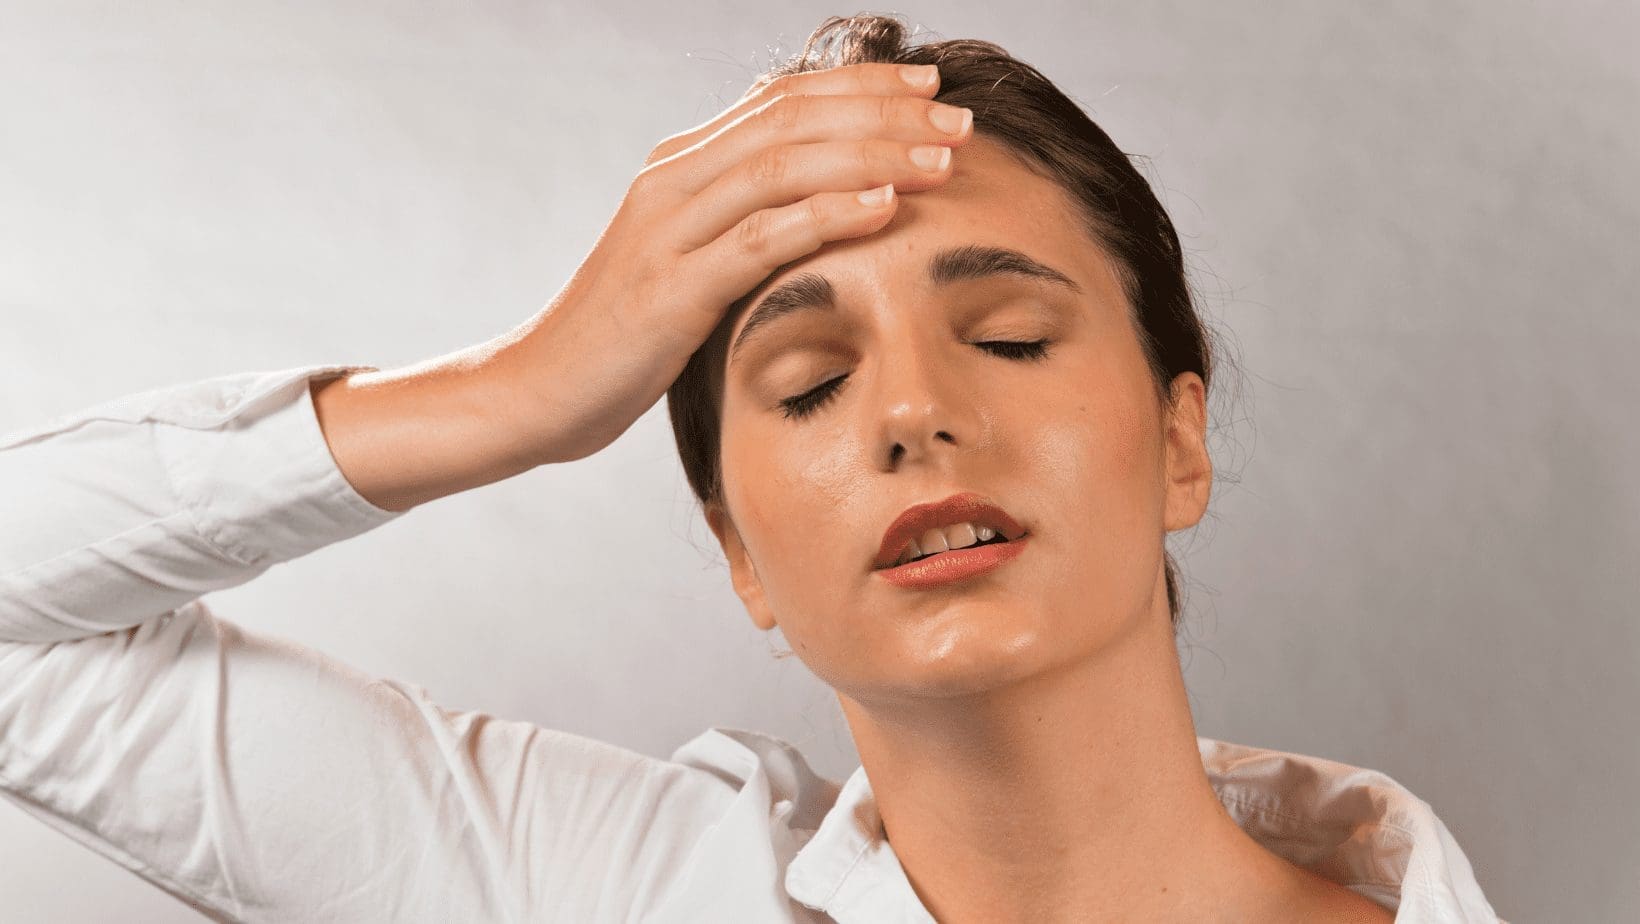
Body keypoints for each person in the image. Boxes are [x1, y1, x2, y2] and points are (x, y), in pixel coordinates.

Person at [0, 13, 1500, 924]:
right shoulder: (608, 892)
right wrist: (521, 390)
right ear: (735, 552)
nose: (913, 413)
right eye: (813, 380)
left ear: (1181, 442)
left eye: (1012, 338)